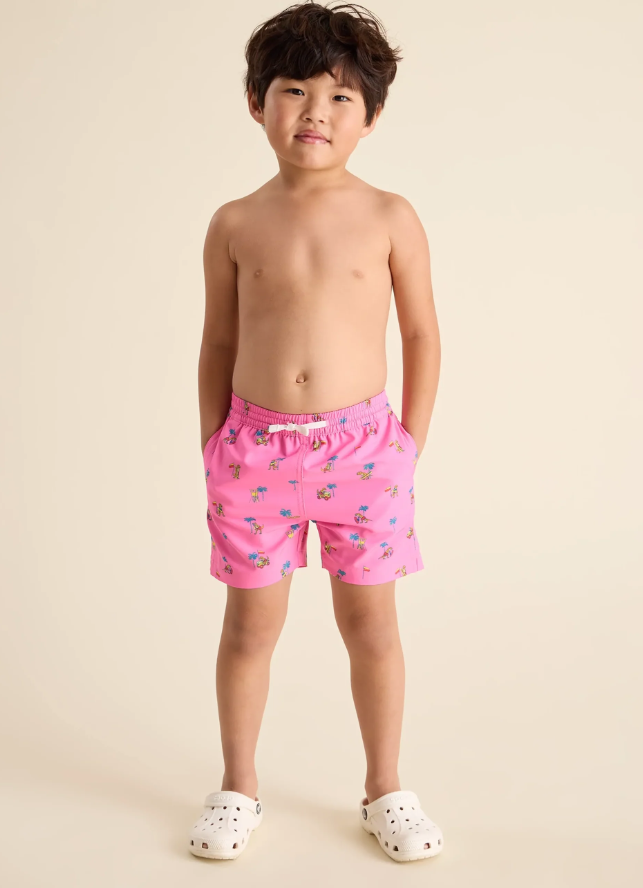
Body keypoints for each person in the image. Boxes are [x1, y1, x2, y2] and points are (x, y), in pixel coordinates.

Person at [188, 1, 442, 863]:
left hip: (365, 454)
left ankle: (385, 788)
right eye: (293, 90)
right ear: (255, 102)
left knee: (371, 626)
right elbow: (217, 342)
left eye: (339, 97)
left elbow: (421, 335)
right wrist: (214, 445)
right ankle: (237, 786)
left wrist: (407, 445)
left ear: (371, 117)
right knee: (248, 629)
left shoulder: (390, 215)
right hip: (253, 453)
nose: (314, 112)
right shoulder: (233, 222)